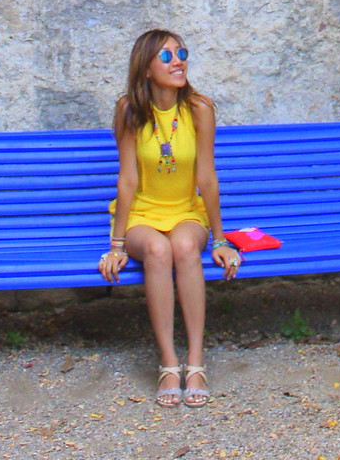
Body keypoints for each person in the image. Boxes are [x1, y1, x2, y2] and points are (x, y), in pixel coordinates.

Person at [97, 28, 241, 407]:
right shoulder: (129, 110)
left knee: (181, 245)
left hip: (186, 212)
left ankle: (195, 361)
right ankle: (168, 363)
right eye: (165, 56)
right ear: (145, 68)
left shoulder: (199, 109)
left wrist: (221, 240)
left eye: (181, 53)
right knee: (158, 251)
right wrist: (115, 244)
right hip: (142, 214)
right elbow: (127, 179)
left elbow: (206, 176)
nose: (177, 61)